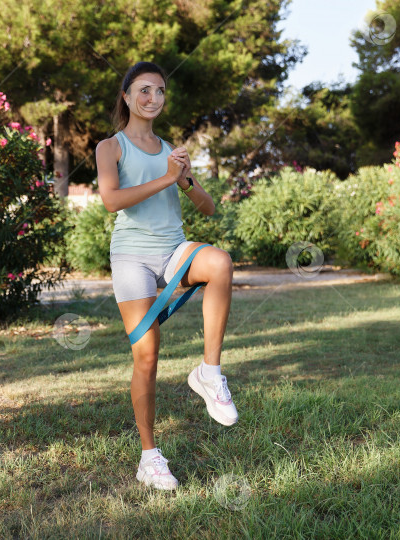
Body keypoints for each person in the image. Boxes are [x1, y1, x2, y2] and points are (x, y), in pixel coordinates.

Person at [95, 61, 239, 491]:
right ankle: (149, 456)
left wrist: (186, 180)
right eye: (144, 90)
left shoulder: (172, 151)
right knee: (147, 356)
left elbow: (208, 208)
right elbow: (111, 201)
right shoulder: (111, 147)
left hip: (173, 249)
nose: (152, 98)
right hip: (131, 256)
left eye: (159, 91)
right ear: (126, 96)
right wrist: (166, 178)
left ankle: (209, 373)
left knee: (220, 262)